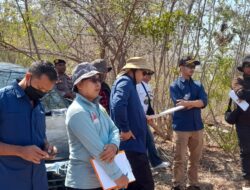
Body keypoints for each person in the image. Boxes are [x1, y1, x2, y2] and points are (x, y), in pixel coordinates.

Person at [65, 62, 129, 190]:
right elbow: (98, 150)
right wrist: (117, 175)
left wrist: (114, 145)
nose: (98, 83)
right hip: (84, 184)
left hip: (104, 180)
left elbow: (114, 130)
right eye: (92, 80)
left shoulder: (98, 107)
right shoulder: (78, 111)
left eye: (98, 79)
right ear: (79, 84)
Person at [0, 61, 58, 190]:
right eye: (40, 88)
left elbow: (40, 137)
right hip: (9, 182)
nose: (42, 93)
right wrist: (20, 151)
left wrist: (47, 148)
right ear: (28, 77)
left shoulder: (39, 105)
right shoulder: (2, 100)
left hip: (38, 182)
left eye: (46, 91)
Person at [110, 57, 155, 190]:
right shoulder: (125, 82)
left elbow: (128, 108)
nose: (144, 76)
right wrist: (125, 129)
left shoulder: (129, 83)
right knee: (145, 185)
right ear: (133, 71)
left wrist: (142, 117)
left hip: (135, 145)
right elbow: (117, 105)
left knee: (134, 185)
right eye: (143, 72)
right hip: (131, 146)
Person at [169, 56, 208, 190]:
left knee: (195, 159)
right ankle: (178, 184)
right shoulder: (175, 85)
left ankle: (193, 184)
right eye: (189, 66)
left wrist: (191, 103)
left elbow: (204, 102)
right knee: (179, 158)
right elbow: (180, 104)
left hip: (197, 127)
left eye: (193, 66)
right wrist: (195, 103)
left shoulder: (198, 85)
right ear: (181, 67)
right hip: (181, 128)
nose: (192, 69)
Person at [136, 71, 170, 169]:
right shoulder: (136, 85)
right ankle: (147, 164)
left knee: (149, 140)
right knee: (146, 140)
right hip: (138, 117)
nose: (149, 77)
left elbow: (147, 103)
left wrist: (150, 115)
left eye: (150, 75)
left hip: (146, 117)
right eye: (146, 74)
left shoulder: (148, 86)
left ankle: (154, 163)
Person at [231, 55, 250, 190]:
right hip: (243, 122)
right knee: (246, 150)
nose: (249, 68)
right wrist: (245, 93)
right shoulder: (238, 80)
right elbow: (241, 94)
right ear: (243, 67)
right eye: (247, 65)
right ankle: (247, 180)